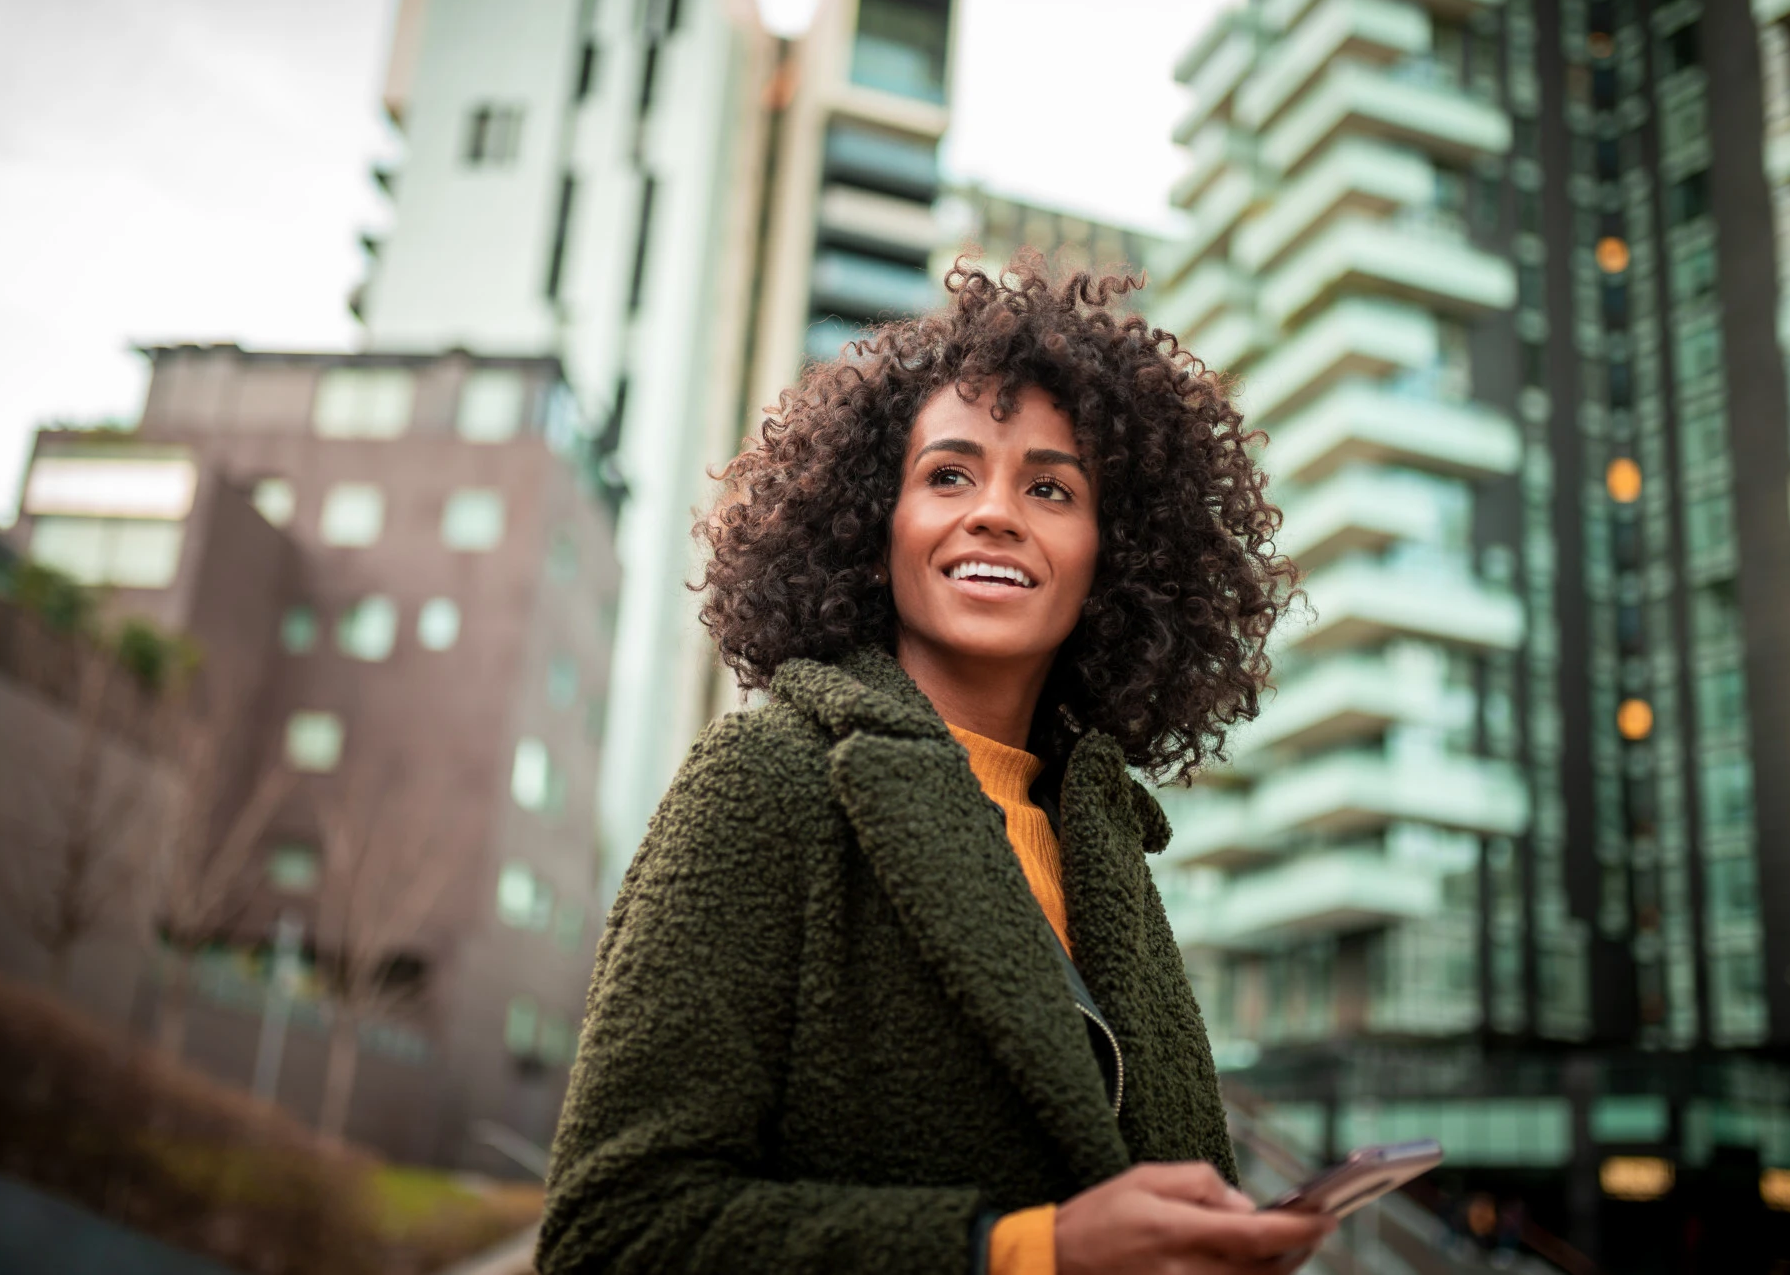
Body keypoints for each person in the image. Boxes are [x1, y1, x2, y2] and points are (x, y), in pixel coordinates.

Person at [536, 259, 1331, 1274]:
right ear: (875, 535)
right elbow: (610, 1233)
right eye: (947, 475)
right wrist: (1018, 1253)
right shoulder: (767, 779)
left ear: (1109, 558)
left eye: (1050, 487)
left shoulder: (1105, 847)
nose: (995, 513)